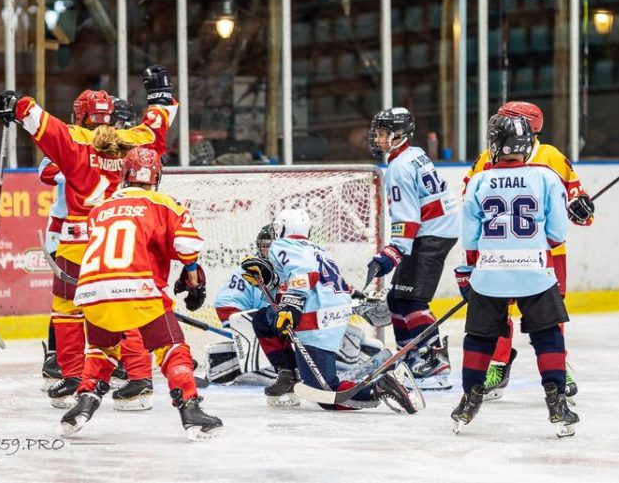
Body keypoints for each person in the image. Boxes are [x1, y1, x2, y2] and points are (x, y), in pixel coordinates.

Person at [0, 66, 177, 409]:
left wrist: (18, 106)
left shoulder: (75, 143)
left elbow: (43, 125)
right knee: (126, 309)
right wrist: (160, 98)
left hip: (78, 244)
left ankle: (73, 375)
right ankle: (139, 378)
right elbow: (156, 131)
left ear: (81, 115)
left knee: (66, 311)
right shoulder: (131, 141)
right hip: (120, 242)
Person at [59, 147, 221, 440]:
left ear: (124, 176)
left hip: (92, 289)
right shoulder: (166, 203)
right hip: (138, 287)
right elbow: (187, 248)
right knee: (172, 347)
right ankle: (191, 408)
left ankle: (82, 405)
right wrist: (194, 279)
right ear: (156, 177)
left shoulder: (100, 209)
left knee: (102, 350)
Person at [453, 114, 579, 437]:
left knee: (479, 339)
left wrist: (469, 273)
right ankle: (557, 403)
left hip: (489, 274)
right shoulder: (546, 177)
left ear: (495, 145)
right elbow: (557, 234)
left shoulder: (480, 180)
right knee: (548, 335)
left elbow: (469, 237)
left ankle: (469, 400)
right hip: (534, 273)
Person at [240, 209, 424, 413]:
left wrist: (292, 306)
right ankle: (288, 374)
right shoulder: (317, 249)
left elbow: (304, 273)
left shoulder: (283, 244)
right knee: (264, 320)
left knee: (325, 393)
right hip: (334, 317)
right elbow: (299, 278)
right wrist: (268, 280)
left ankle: (380, 387)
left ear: (280, 227)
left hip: (314, 320)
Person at [36, 95, 141, 392]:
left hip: (106, 231)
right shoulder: (70, 139)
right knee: (68, 296)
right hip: (67, 231)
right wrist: (81, 161)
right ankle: (57, 356)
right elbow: (46, 172)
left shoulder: (119, 141)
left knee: (108, 295)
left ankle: (116, 356)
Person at [206, 225, 384, 387]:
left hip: (298, 327)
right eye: (264, 246)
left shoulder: (296, 262)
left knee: (343, 333)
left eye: (271, 245)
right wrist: (243, 336)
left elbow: (323, 287)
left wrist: (354, 296)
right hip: (270, 335)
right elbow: (226, 305)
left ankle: (342, 364)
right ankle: (287, 371)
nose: (268, 251)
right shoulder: (251, 269)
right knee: (263, 321)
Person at [366, 107, 459, 390]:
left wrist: (393, 252)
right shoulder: (413, 154)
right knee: (397, 299)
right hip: (433, 230)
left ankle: (434, 363)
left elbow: (408, 217)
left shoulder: (399, 167)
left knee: (413, 300)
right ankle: (409, 357)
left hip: (431, 234)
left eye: (383, 133)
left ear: (398, 135)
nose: (378, 139)